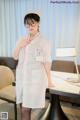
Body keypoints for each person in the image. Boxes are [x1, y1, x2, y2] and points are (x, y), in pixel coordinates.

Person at [13, 12, 53, 120]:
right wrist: (20, 45)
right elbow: (15, 57)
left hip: (35, 79)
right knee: (22, 106)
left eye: (33, 24)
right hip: (22, 77)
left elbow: (47, 62)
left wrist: (49, 80)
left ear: (38, 24)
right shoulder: (22, 40)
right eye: (27, 24)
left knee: (26, 108)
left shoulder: (44, 42)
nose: (30, 26)